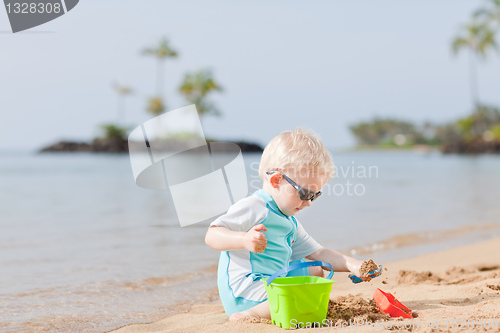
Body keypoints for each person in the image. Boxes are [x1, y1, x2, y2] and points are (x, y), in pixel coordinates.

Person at [205, 128, 374, 321]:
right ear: (276, 180)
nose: (309, 202)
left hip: (270, 282)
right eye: (305, 194)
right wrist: (243, 239)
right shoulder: (254, 207)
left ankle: (276, 307)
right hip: (247, 293)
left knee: (316, 269)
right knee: (303, 295)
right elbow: (212, 235)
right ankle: (249, 315)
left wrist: (354, 265)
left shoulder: (288, 220)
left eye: (315, 195)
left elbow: (319, 253)